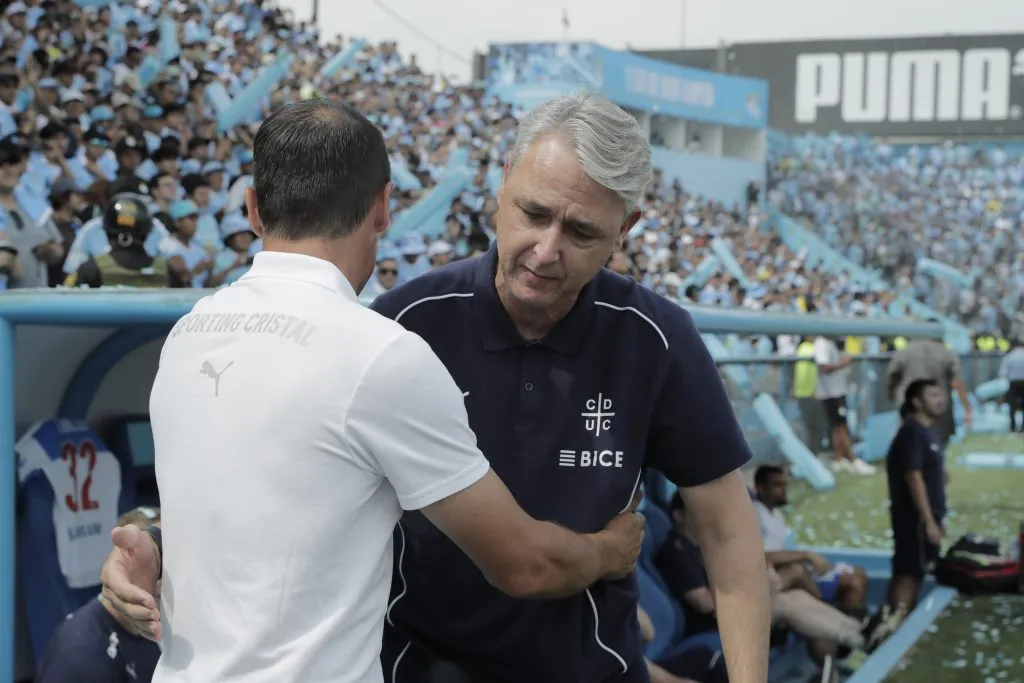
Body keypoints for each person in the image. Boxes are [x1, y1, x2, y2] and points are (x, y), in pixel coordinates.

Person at [102, 93, 770, 683]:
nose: (545, 247)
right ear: (501, 186)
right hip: (422, 664)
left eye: (581, 231)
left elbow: (730, 536)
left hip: (590, 662)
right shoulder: (401, 328)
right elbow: (282, 484)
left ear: (626, 229)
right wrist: (154, 540)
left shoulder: (657, 339)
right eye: (534, 213)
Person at [36, 507, 163, 683]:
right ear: (114, 565)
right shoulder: (82, 658)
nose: (158, 580)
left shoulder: (151, 626)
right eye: (143, 565)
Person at [868, 379, 949, 650]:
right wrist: (928, 522)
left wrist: (938, 518)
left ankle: (885, 635)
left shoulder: (928, 432)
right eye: (934, 394)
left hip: (925, 521)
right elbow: (913, 477)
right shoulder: (912, 432)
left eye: (941, 394)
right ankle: (885, 639)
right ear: (916, 401)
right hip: (913, 523)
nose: (941, 399)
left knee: (911, 576)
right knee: (907, 577)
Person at [63, 193, 170, 288]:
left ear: (107, 232)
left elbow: (65, 301)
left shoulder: (90, 269)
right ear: (147, 233)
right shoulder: (166, 270)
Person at [885, 336, 972, 444]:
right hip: (939, 407)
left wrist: (891, 394)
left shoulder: (904, 352)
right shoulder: (946, 353)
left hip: (910, 405)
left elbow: (892, 376)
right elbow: (957, 382)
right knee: (936, 445)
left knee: (910, 441)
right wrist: (966, 406)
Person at [998, 338, 1024, 433]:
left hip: (1014, 383)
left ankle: (1012, 426)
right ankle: (1022, 428)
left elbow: (1003, 373)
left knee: (1012, 406)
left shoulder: (1010, 356)